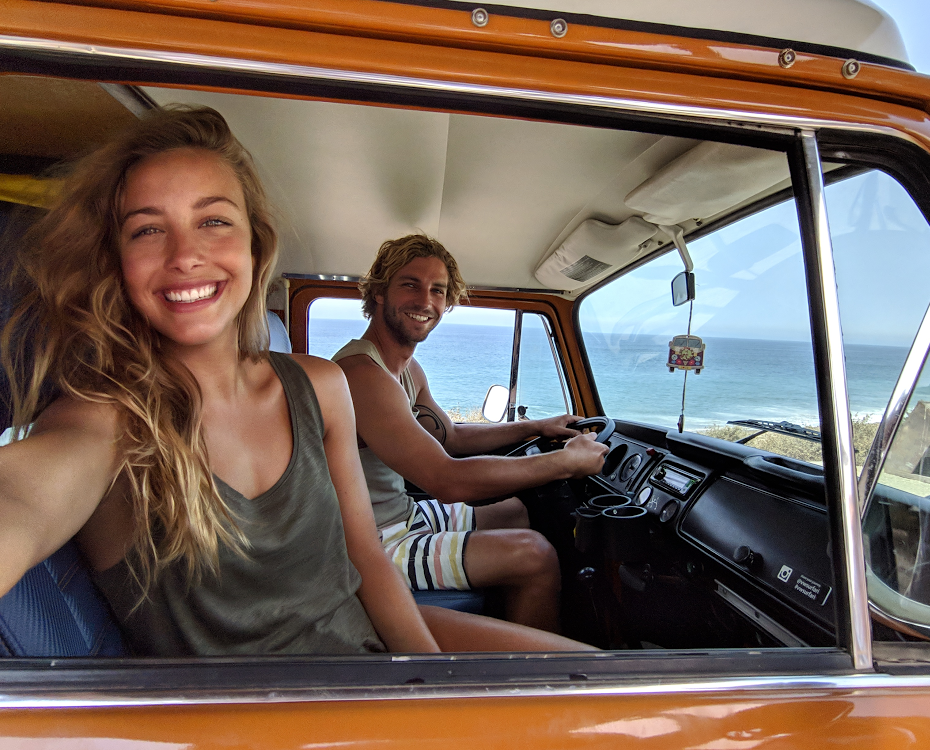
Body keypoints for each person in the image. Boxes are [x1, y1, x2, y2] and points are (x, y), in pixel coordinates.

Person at [0, 105, 589, 655]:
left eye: (213, 220)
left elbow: (364, 557)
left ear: (256, 247)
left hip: (365, 643)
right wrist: (563, 461)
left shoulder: (320, 384)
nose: (186, 254)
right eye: (147, 230)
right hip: (285, 710)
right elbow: (21, 499)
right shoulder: (107, 424)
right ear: (117, 262)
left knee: (589, 674)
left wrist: (429, 682)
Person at [333, 235, 609, 633]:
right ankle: (519, 685)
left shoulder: (406, 370)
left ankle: (506, 625)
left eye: (438, 290)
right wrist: (564, 462)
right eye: (409, 284)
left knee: (517, 510)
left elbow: (451, 439)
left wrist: (535, 427)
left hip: (401, 516)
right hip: (368, 546)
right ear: (379, 293)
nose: (425, 301)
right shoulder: (361, 374)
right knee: (535, 554)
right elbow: (445, 479)